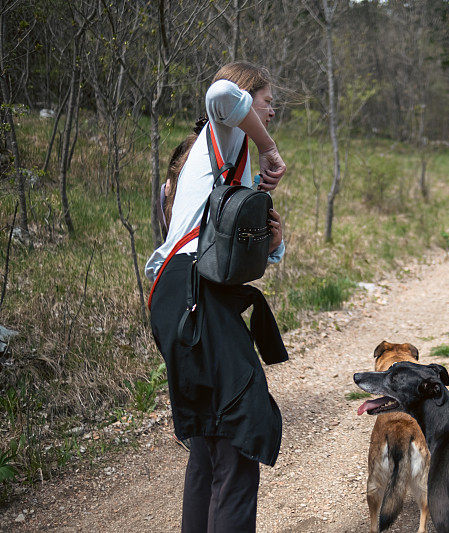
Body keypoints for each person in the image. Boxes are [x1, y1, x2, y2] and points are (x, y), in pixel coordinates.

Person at [144, 61, 288, 532]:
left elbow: (242, 256)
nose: (271, 112)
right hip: (193, 292)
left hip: (181, 295)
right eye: (267, 102)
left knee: (210, 438)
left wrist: (270, 241)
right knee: (242, 429)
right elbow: (222, 91)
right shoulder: (226, 132)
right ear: (251, 98)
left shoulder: (221, 157)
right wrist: (268, 148)